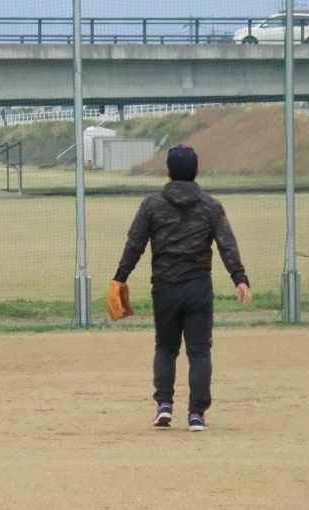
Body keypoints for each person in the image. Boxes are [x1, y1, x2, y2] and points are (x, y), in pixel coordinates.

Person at [113, 145, 251, 431]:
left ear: (168, 171)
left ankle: (164, 404)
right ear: (197, 170)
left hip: (165, 288)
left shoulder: (152, 205)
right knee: (199, 351)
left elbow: (135, 244)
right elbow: (226, 244)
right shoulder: (211, 206)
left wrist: (120, 277)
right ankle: (196, 414)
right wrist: (239, 278)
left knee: (165, 346)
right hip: (199, 287)